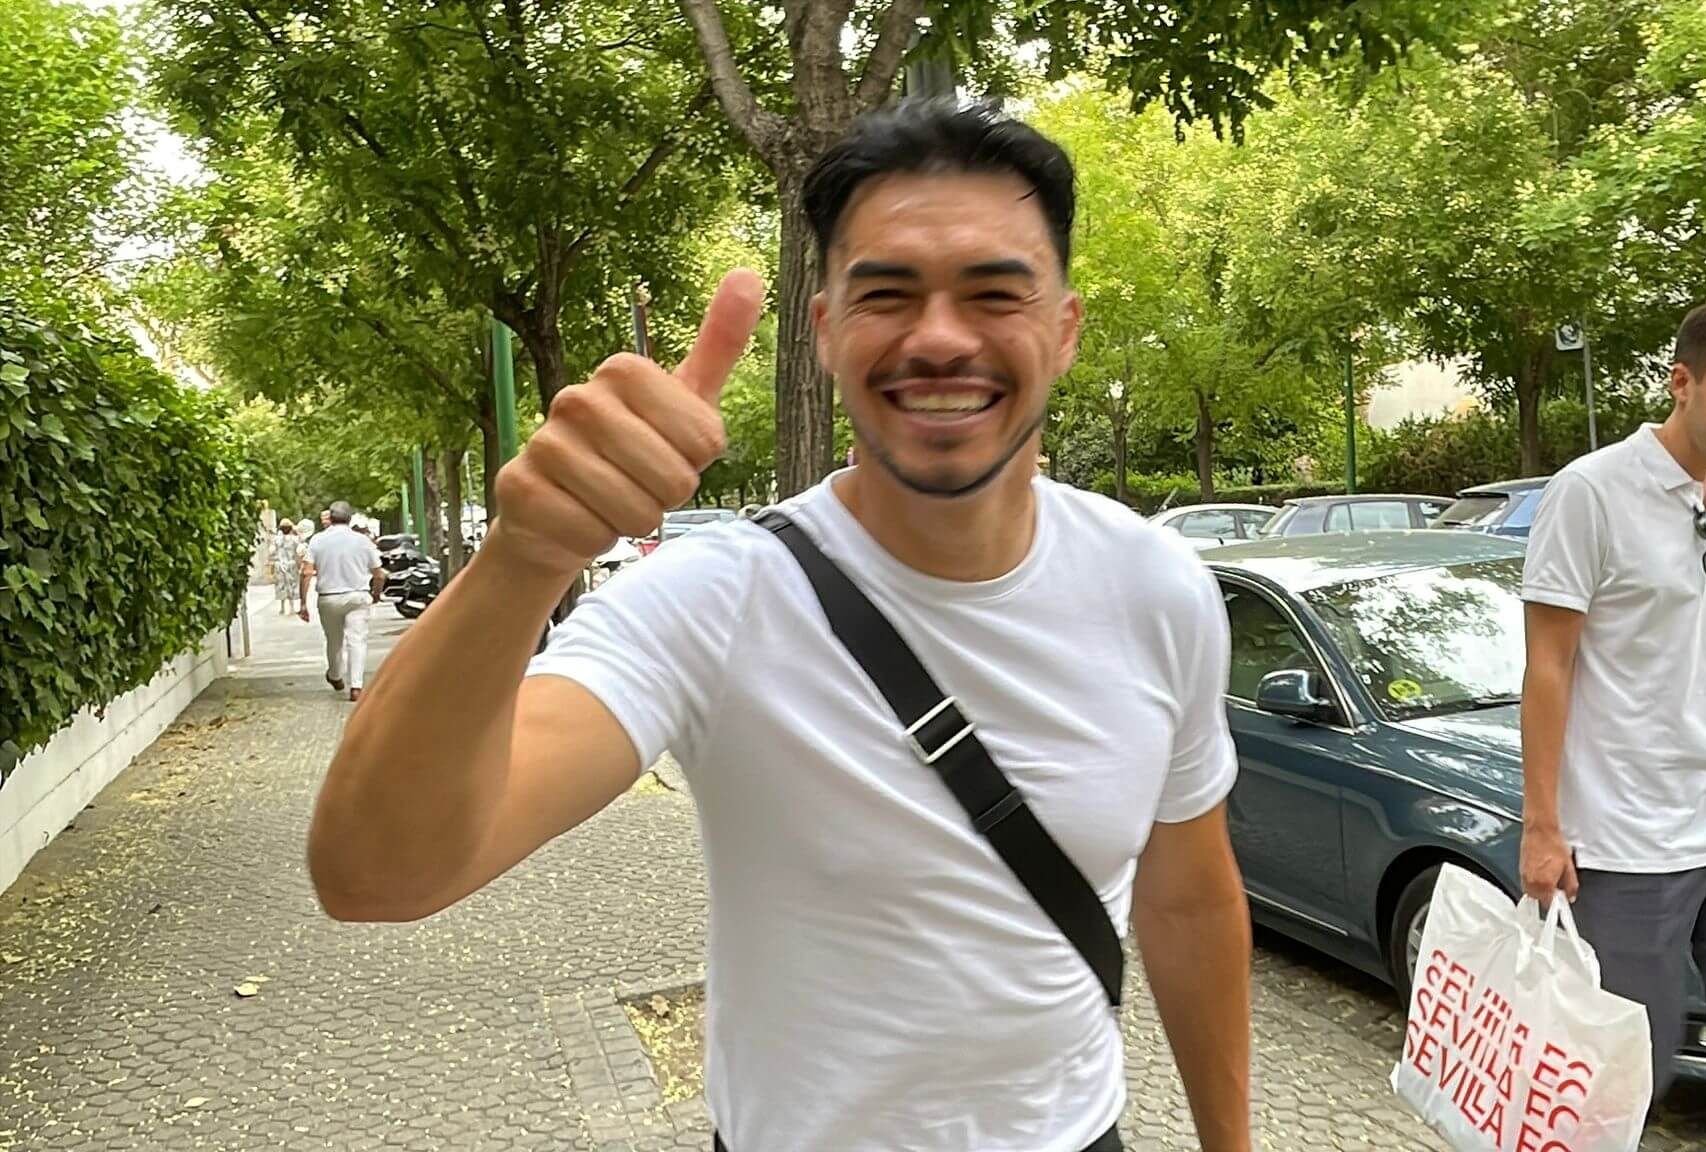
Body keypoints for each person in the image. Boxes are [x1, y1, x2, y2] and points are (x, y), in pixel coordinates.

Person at [306, 101, 1252, 1152]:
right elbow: (376, 875)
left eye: (994, 292)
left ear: (1063, 329)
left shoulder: (1157, 584)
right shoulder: (716, 597)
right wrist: (524, 556)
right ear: (825, 331)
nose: (939, 337)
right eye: (886, 294)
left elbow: (1186, 902)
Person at [1519, 295, 1706, 1151]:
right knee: (1623, 1089)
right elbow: (1546, 667)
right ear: (1681, 382)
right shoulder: (1590, 492)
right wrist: (1543, 826)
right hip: (1631, 842)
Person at [300, 500, 386, 702]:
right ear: (349, 518)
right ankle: (356, 686)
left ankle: (336, 676)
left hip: (328, 598)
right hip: (357, 596)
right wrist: (376, 594)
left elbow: (306, 572)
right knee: (357, 640)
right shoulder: (363, 541)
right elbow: (379, 574)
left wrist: (303, 602)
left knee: (334, 641)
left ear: (330, 517)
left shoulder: (317, 540)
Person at [271, 520, 303, 616]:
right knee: (292, 584)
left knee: (281, 585)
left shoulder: (276, 539)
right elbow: (300, 552)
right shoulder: (295, 539)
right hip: (291, 564)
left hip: (279, 565)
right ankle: (292, 607)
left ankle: (282, 607)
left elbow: (271, 552)